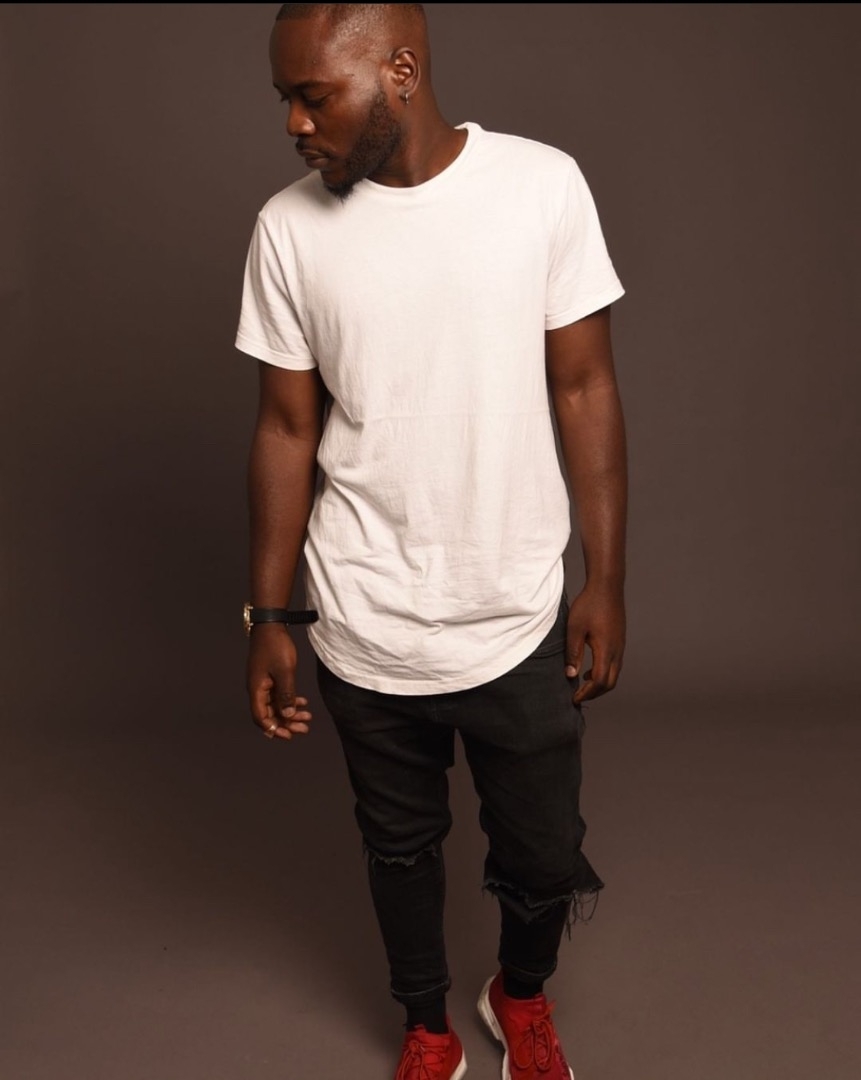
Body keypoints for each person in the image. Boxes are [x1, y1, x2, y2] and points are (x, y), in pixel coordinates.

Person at [235, 5, 627, 1078]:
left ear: (399, 71)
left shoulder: (541, 187)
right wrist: (269, 615)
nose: (293, 123)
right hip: (363, 615)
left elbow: (585, 387)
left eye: (314, 95)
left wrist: (605, 580)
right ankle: (426, 1025)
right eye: (285, 99)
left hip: (515, 609)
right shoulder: (286, 229)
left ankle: (520, 994)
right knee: (398, 848)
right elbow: (285, 428)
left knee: (543, 854)